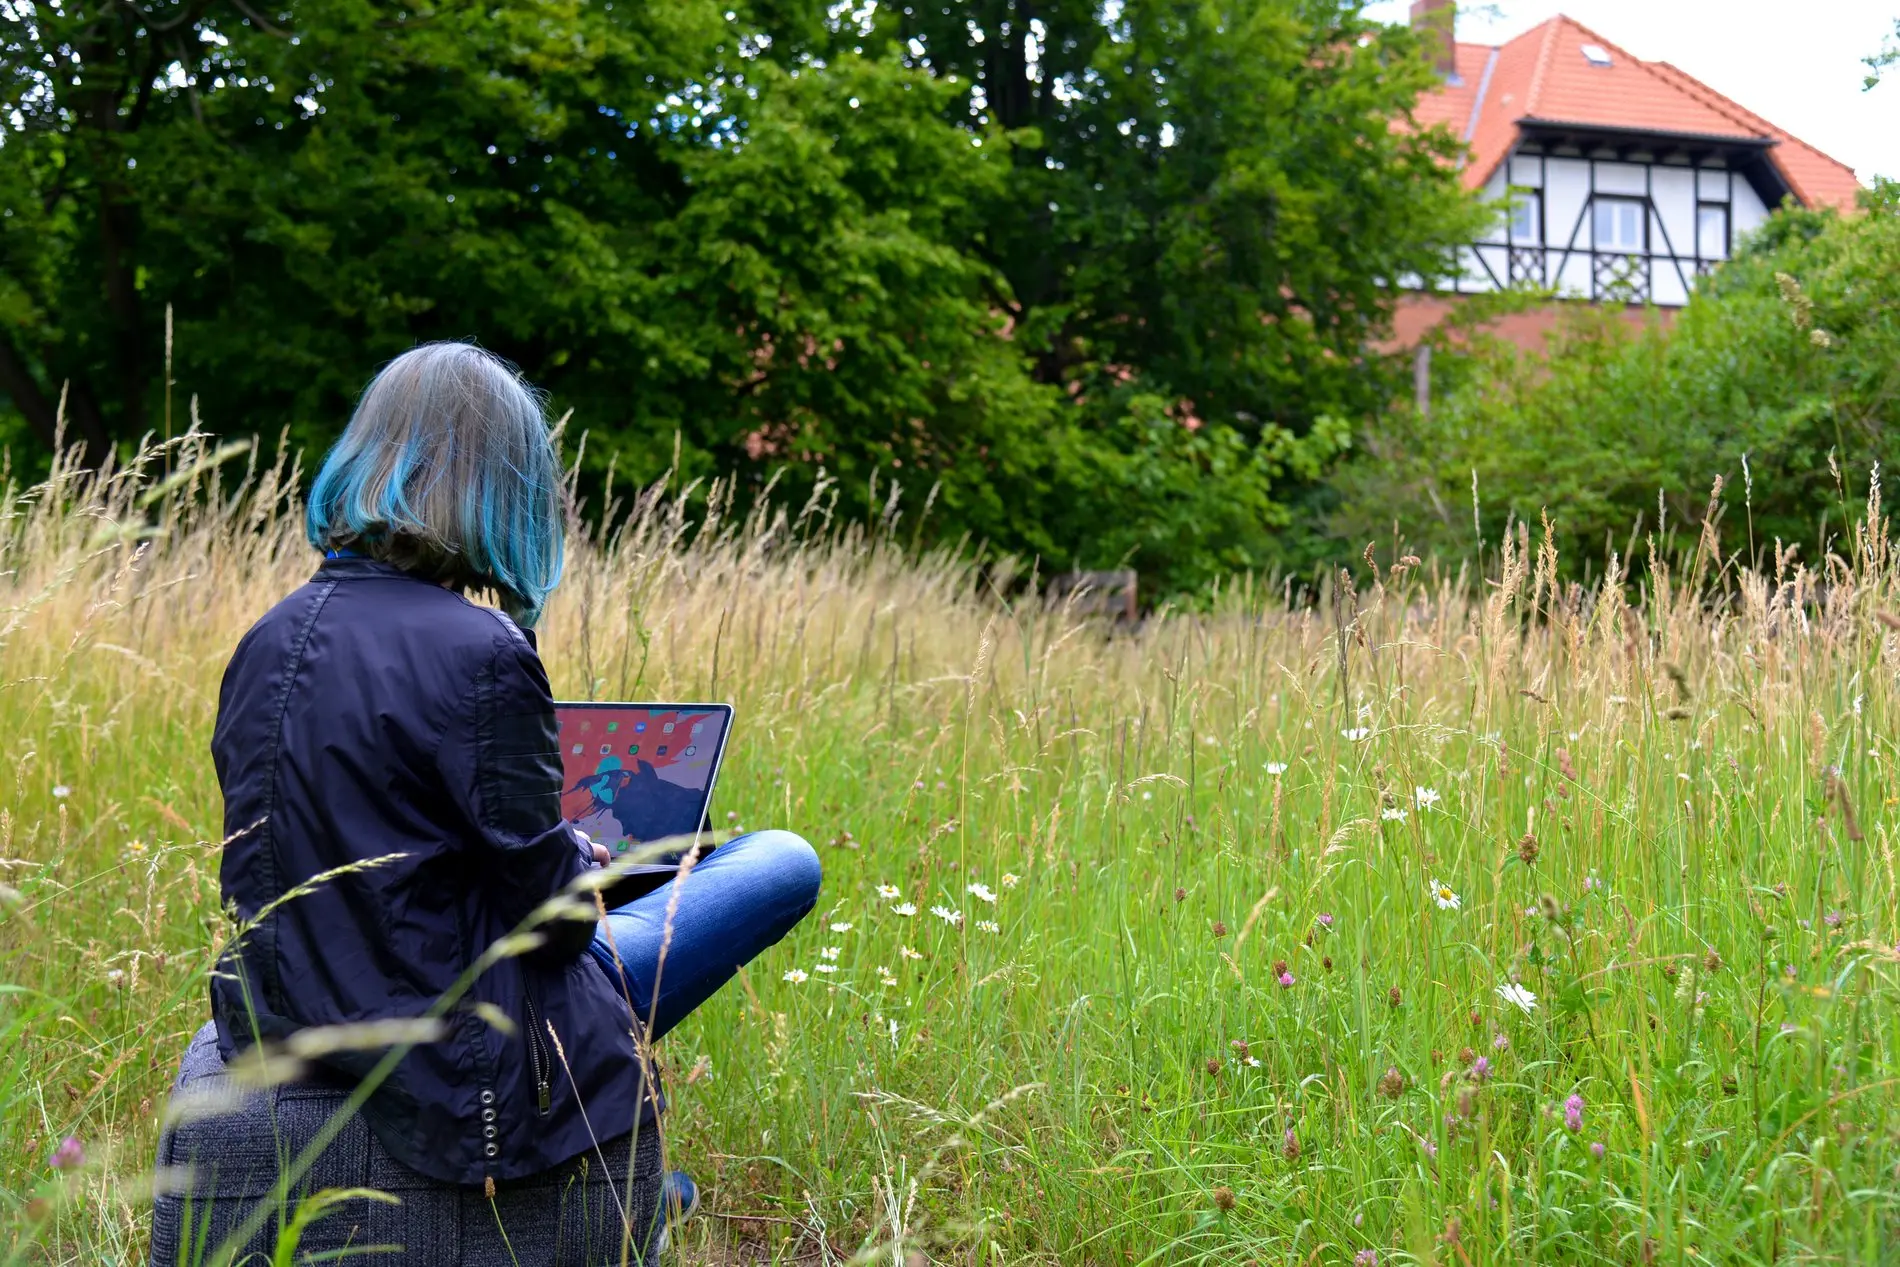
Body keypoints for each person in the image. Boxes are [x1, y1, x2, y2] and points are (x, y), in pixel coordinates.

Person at [210, 341, 820, 1243]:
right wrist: (582, 851)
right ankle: (636, 1203)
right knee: (779, 861)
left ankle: (647, 1191)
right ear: (502, 488)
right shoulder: (485, 650)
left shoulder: (269, 634)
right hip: (450, 1011)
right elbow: (560, 922)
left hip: (300, 993)